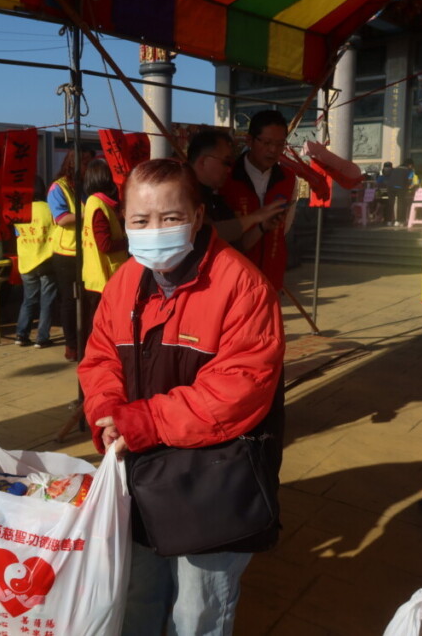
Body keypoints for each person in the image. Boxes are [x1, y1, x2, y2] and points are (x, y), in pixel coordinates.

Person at [79, 159, 284, 635]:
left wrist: (141, 422)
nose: (155, 231)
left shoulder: (242, 285)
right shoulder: (124, 280)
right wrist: (108, 413)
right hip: (141, 471)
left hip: (212, 482)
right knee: (137, 595)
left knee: (197, 612)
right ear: (124, 221)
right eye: (140, 220)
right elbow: (99, 360)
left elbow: (238, 391)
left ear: (196, 216)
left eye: (170, 218)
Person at [221, 110, 297, 292]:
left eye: (280, 144)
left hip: (272, 274)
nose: (273, 150)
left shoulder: (288, 179)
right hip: (233, 277)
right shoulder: (227, 176)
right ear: (249, 140)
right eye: (267, 142)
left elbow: (285, 227)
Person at [186, 128, 286, 252]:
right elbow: (207, 234)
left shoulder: (215, 199)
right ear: (203, 161)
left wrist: (262, 226)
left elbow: (238, 245)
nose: (229, 169)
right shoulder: (181, 193)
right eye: (226, 162)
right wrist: (256, 217)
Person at [47, 149, 93, 361]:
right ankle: (71, 345)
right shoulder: (59, 187)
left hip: (87, 249)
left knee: (87, 298)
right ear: (74, 164)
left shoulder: (86, 186)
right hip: (66, 252)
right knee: (68, 300)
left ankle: (87, 341)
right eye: (85, 163)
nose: (88, 168)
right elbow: (61, 218)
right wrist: (91, 212)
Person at [80, 158, 127, 333]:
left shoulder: (97, 202)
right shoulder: (98, 205)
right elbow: (105, 244)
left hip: (97, 275)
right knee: (102, 328)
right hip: (103, 276)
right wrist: (128, 242)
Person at [14, 175, 57, 348]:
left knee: (29, 299)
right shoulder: (50, 209)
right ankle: (42, 337)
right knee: (47, 300)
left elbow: (17, 234)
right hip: (47, 260)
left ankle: (21, 334)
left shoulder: (19, 211)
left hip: (27, 261)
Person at [385, 159, 413, 227]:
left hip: (390, 187)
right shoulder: (409, 170)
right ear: (410, 165)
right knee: (401, 203)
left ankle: (388, 221)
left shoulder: (395, 169)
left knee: (390, 203)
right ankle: (399, 221)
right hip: (400, 187)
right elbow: (409, 181)